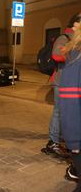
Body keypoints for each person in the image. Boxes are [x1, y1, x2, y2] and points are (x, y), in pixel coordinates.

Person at [41, 13, 81, 159]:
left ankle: (63, 137)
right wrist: (74, 52)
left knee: (68, 112)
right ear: (75, 24)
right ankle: (53, 142)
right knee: (59, 111)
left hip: (72, 81)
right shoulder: (64, 37)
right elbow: (56, 54)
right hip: (62, 81)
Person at [59, 18, 81, 191]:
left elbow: (71, 99)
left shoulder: (76, 58)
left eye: (78, 20)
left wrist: (73, 140)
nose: (73, 24)